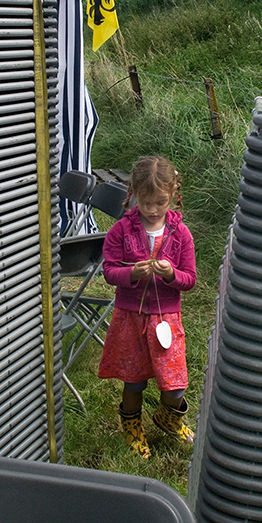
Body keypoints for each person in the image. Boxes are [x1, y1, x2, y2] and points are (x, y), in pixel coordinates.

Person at [98, 155, 197, 459]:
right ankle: (132, 428)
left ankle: (169, 417)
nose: (153, 210)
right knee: (134, 379)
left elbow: (190, 279)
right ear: (133, 195)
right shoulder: (121, 232)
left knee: (175, 381)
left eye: (160, 202)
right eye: (145, 202)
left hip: (166, 318)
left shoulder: (180, 234)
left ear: (173, 197)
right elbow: (109, 271)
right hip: (131, 317)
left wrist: (170, 275)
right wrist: (130, 274)